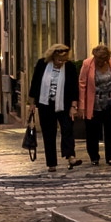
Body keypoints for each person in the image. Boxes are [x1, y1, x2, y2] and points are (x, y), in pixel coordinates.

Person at [29, 43, 82, 172]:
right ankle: (51, 163)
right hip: (45, 105)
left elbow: (75, 87)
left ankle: (70, 156)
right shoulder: (42, 64)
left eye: (63, 60)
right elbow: (35, 83)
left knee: (67, 129)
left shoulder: (69, 67)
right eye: (58, 60)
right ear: (52, 56)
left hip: (64, 104)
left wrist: (74, 106)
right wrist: (31, 103)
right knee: (49, 134)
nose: (60, 63)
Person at [79, 43, 111, 167]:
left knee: (110, 130)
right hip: (93, 102)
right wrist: (82, 106)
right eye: (97, 59)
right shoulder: (87, 64)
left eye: (102, 60)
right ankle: (94, 157)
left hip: (109, 101)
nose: (99, 62)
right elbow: (82, 84)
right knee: (92, 131)